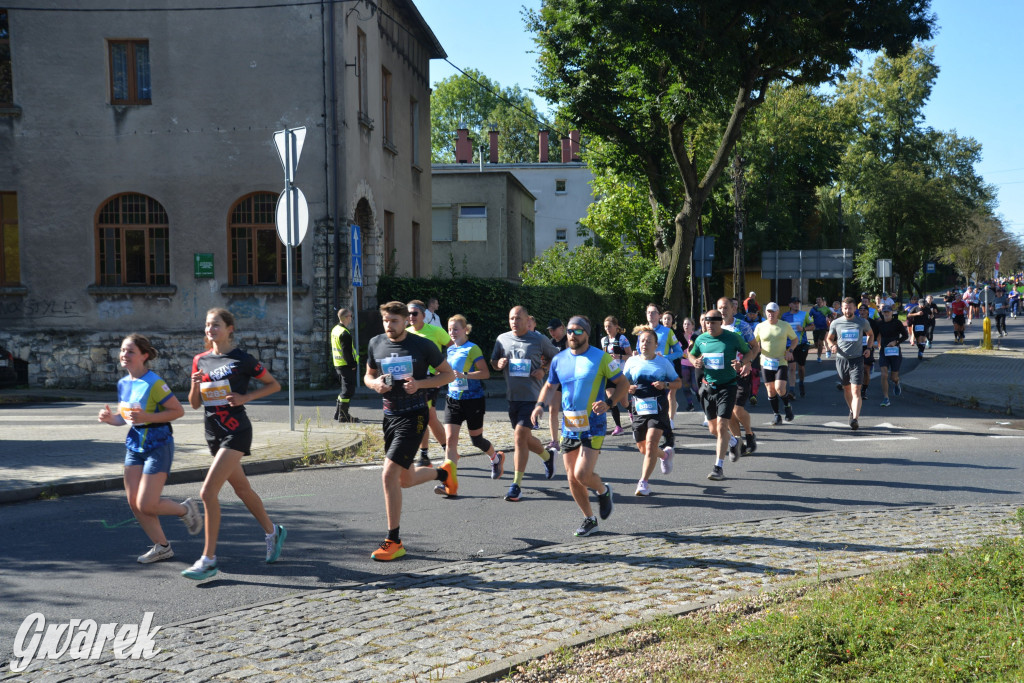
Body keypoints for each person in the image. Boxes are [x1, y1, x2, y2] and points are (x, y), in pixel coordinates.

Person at [184, 308, 287, 580]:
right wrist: (194, 384)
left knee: (207, 493)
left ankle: (208, 560)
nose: (210, 329)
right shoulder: (200, 360)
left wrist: (245, 398)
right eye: (207, 325)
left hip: (236, 431)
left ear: (230, 328)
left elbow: (273, 385)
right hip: (213, 433)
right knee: (242, 488)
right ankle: (272, 531)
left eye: (215, 325)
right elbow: (195, 404)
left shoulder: (242, 359)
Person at [364, 301, 456, 561]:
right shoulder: (376, 343)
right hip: (389, 415)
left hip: (415, 415)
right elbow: (368, 375)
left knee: (388, 475)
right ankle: (443, 472)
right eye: (385, 320)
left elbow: (448, 375)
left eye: (394, 320)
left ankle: (394, 540)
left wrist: (421, 384)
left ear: (406, 320)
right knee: (403, 480)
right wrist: (375, 384)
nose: (389, 325)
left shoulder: (422, 345)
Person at [98, 334, 200, 564]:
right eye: (123, 350)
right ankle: (162, 547)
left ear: (144, 356)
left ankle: (185, 510)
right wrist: (109, 418)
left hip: (158, 443)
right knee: (134, 502)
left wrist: (148, 416)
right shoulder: (124, 383)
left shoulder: (154, 383)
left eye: (130, 351)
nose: (124, 355)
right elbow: (125, 419)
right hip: (135, 444)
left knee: (147, 504)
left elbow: (177, 411)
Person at [532, 316, 628, 536]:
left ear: (586, 333)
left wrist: (609, 403)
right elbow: (549, 385)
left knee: (582, 474)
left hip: (593, 423)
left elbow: (623, 383)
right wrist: (539, 405)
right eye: (569, 331)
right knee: (571, 477)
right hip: (570, 424)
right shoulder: (559, 359)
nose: (572, 336)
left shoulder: (601, 358)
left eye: (577, 331)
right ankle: (589, 519)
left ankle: (603, 491)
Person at [492, 305, 559, 502]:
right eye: (512, 318)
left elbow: (556, 357)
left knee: (519, 435)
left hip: (532, 397)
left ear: (526, 320)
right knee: (525, 439)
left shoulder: (538, 339)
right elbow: (494, 361)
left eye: (518, 318)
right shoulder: (502, 339)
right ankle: (548, 457)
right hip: (513, 397)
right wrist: (498, 365)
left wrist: (544, 370)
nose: (514, 322)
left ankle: (516, 485)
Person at [439, 314, 504, 492]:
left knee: (476, 440)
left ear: (465, 330)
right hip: (453, 399)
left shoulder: (472, 349)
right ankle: (448, 482)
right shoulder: (450, 350)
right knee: (450, 440)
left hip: (473, 400)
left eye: (455, 329)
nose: (452, 332)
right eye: (450, 329)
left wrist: (465, 375)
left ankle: (495, 458)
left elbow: (485, 373)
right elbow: (448, 374)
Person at [690, 310, 756, 480]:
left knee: (721, 427)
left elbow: (751, 350)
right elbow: (691, 353)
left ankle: (718, 468)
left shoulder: (732, 337)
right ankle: (735, 442)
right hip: (708, 388)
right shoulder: (701, 339)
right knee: (714, 430)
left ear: (720, 322)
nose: (709, 325)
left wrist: (743, 362)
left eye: (713, 322)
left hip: (728, 386)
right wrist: (694, 361)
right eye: (706, 321)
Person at [622, 326, 682, 496]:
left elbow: (678, 382)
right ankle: (665, 455)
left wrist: (666, 385)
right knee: (643, 449)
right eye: (642, 341)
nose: (644, 344)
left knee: (650, 445)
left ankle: (643, 483)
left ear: (656, 345)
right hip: (639, 409)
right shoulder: (632, 361)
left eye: (649, 341)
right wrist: (629, 388)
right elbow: (623, 383)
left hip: (658, 409)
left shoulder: (663, 362)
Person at [407, 299, 452, 467]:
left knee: (429, 415)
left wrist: (444, 370)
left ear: (423, 315)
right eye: (408, 314)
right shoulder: (406, 333)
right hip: (414, 380)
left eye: (414, 313)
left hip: (431, 379)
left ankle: (445, 451)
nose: (411, 317)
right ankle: (427, 454)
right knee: (425, 416)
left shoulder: (435, 331)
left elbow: (453, 347)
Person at [718, 297, 758, 457]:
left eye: (726, 307)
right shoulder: (714, 327)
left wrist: (747, 362)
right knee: (728, 413)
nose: (723, 311)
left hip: (740, 372)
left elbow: (755, 347)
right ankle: (738, 440)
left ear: (733, 309)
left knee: (737, 408)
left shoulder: (742, 325)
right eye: (720, 308)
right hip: (722, 375)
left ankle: (749, 434)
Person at [827, 297, 874, 430]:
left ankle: (855, 419)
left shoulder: (862, 322)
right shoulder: (836, 323)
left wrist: (869, 349)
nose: (848, 310)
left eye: (850, 308)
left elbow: (870, 334)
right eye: (845, 308)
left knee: (856, 390)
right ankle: (852, 410)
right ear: (842, 309)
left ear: (855, 308)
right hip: (841, 359)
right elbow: (829, 338)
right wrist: (832, 346)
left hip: (857, 359)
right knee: (847, 388)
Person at [753, 303, 797, 424]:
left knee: (779, 388)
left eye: (773, 311)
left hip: (781, 360)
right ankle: (776, 415)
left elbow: (795, 339)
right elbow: (754, 342)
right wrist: (756, 350)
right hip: (766, 361)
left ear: (777, 312)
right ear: (765, 312)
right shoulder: (760, 326)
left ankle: (787, 406)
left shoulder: (784, 325)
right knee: (770, 390)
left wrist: (790, 351)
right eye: (768, 311)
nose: (771, 314)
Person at [601, 315, 632, 436]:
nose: (607, 329)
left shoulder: (622, 339)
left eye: (609, 326)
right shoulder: (604, 340)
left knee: (624, 403)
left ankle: (631, 411)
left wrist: (619, 356)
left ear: (616, 327)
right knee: (611, 400)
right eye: (605, 327)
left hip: (621, 374)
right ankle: (618, 427)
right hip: (609, 374)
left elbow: (630, 355)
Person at [330, 308, 360, 423]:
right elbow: (346, 351)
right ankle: (344, 416)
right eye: (351, 316)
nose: (351, 318)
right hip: (346, 365)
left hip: (338, 364)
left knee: (344, 390)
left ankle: (338, 413)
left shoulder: (335, 330)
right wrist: (352, 365)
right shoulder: (344, 333)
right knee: (348, 391)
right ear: (346, 317)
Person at [876, 305, 908, 407]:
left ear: (892, 312)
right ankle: (886, 398)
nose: (886, 313)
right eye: (884, 312)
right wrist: (874, 345)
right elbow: (875, 335)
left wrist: (896, 342)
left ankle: (896, 383)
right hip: (884, 352)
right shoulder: (880, 324)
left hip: (895, 352)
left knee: (893, 377)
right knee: (884, 374)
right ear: (882, 312)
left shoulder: (897, 323)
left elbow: (905, 335)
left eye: (888, 312)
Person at [781, 297, 812, 397]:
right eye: (794, 303)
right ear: (789, 305)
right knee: (792, 368)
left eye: (798, 303)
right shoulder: (785, 316)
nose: (796, 305)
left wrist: (803, 328)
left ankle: (801, 382)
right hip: (790, 346)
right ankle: (792, 390)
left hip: (801, 345)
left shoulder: (805, 314)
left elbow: (813, 326)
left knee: (801, 367)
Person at [545, 318, 567, 452]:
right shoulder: (550, 343)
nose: (552, 332)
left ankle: (568, 436)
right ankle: (554, 440)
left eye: (554, 329)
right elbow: (547, 362)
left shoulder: (569, 341)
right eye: (550, 330)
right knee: (553, 410)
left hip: (568, 380)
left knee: (568, 410)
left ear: (562, 327)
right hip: (555, 380)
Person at [677, 317, 699, 411]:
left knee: (695, 386)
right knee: (685, 386)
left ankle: (700, 396)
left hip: (694, 364)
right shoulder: (679, 337)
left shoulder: (695, 336)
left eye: (688, 324)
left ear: (693, 326)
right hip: (684, 363)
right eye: (685, 324)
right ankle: (690, 404)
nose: (686, 326)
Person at [810, 296, 833, 361]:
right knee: (816, 344)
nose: (818, 301)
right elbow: (809, 317)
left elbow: (831, 316)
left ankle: (819, 357)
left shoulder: (826, 309)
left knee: (820, 342)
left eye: (819, 300)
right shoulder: (813, 309)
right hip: (815, 328)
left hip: (823, 328)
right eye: (817, 300)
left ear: (822, 302)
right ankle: (819, 350)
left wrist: (831, 323)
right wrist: (810, 323)